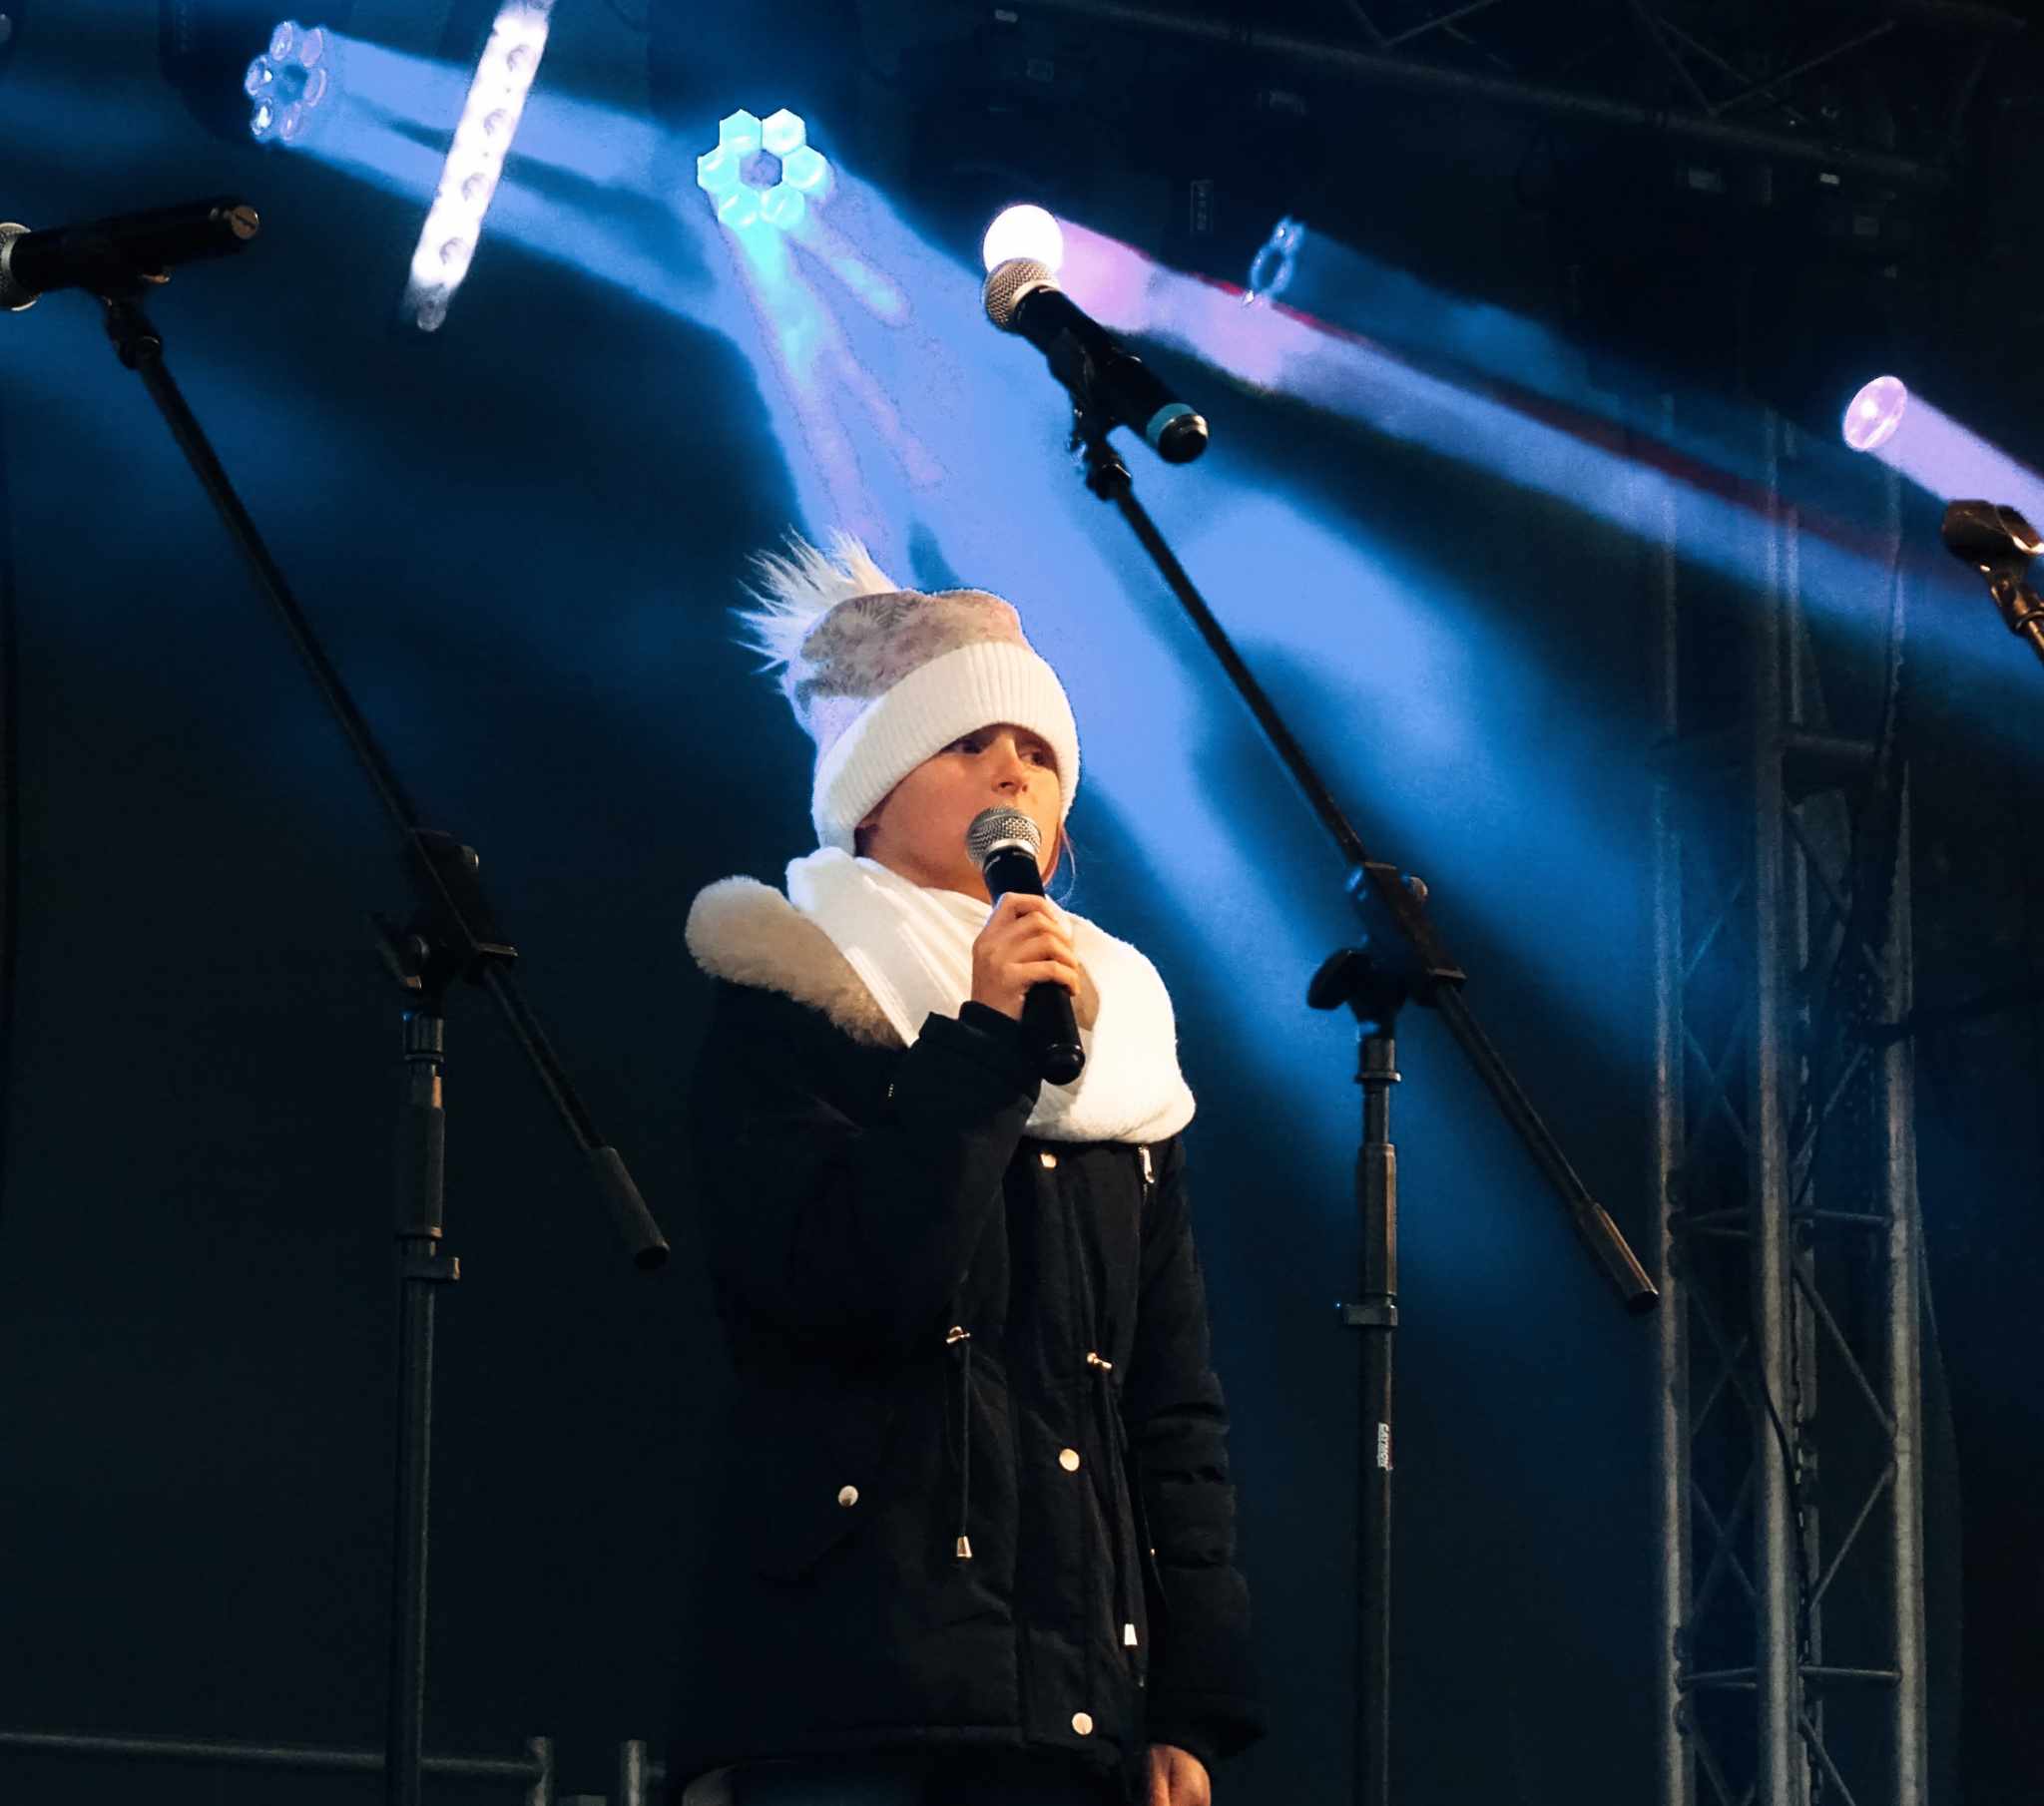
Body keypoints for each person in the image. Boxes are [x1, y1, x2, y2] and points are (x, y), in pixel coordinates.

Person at [667, 534, 1266, 1806]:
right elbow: (835, 1288)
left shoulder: (1119, 1040)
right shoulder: (791, 989)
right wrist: (985, 1046)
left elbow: (1169, 1400)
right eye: (965, 743)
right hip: (851, 1698)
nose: (1011, 769)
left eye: (1037, 751)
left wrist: (1192, 1704)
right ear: (870, 796)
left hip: (1078, 1708)